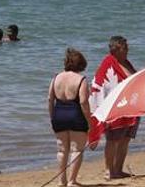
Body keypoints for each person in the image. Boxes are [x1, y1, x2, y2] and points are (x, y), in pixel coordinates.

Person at [89, 36, 137, 180]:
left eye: (127, 47)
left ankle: (118, 169)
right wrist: (102, 111)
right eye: (124, 48)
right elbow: (98, 87)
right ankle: (109, 170)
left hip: (131, 108)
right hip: (115, 109)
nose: (127, 50)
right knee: (113, 140)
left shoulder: (127, 63)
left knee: (125, 139)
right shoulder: (107, 64)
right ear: (115, 49)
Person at [49, 48, 93, 187]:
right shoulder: (81, 80)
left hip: (59, 114)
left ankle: (61, 180)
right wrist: (90, 121)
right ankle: (72, 181)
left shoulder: (56, 78)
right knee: (77, 149)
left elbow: (50, 99)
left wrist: (52, 117)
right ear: (81, 64)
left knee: (62, 150)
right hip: (75, 114)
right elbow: (83, 102)